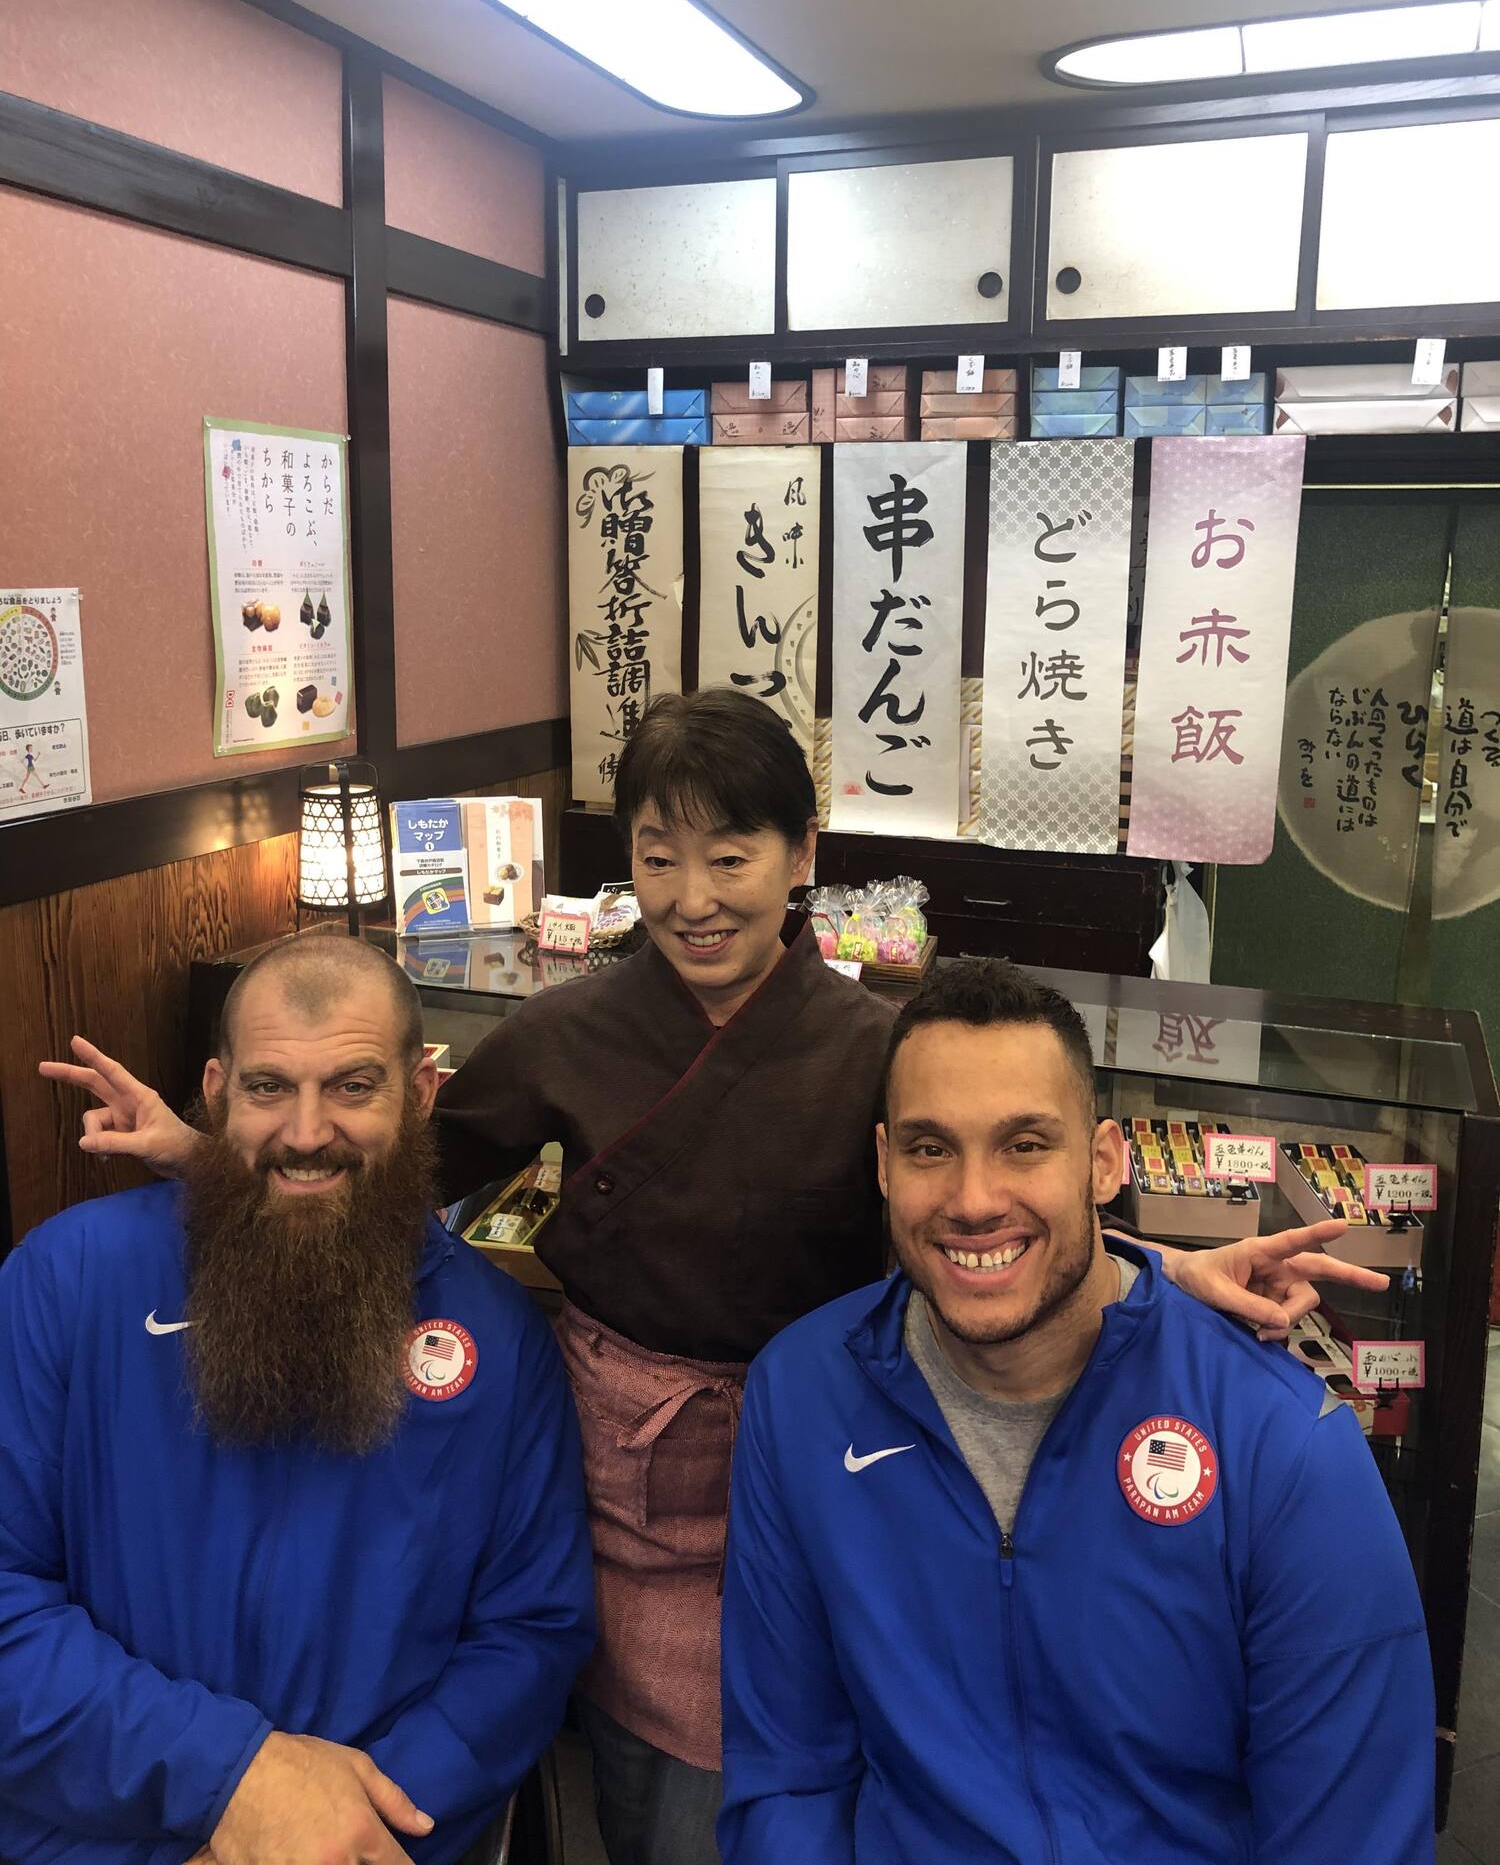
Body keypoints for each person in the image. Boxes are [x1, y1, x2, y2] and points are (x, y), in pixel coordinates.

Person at [43, 690, 1384, 1865]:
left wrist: (1159, 1275)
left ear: (803, 857)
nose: (693, 898)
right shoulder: (568, 1027)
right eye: (656, 856)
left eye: (732, 854)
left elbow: (975, 1208)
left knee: (861, 1732)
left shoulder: (874, 1039)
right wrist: (207, 1156)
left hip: (832, 1449)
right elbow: (390, 1166)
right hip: (622, 1478)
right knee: (649, 1778)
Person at [718, 958, 1433, 1865]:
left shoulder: (1282, 1444)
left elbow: (1351, 1834)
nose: (974, 1201)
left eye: (1025, 1144)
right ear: (885, 1164)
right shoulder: (801, 1398)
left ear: (1102, 1164)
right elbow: (789, 1771)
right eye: (932, 1147)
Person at [12, 933, 595, 1865]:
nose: (308, 1130)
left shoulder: (501, 1342)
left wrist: (341, 1831)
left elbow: (529, 1635)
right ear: (216, 1089)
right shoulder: (67, 1279)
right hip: (92, 1836)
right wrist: (231, 1779)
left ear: (422, 1094)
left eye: (354, 1087)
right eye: (269, 1087)